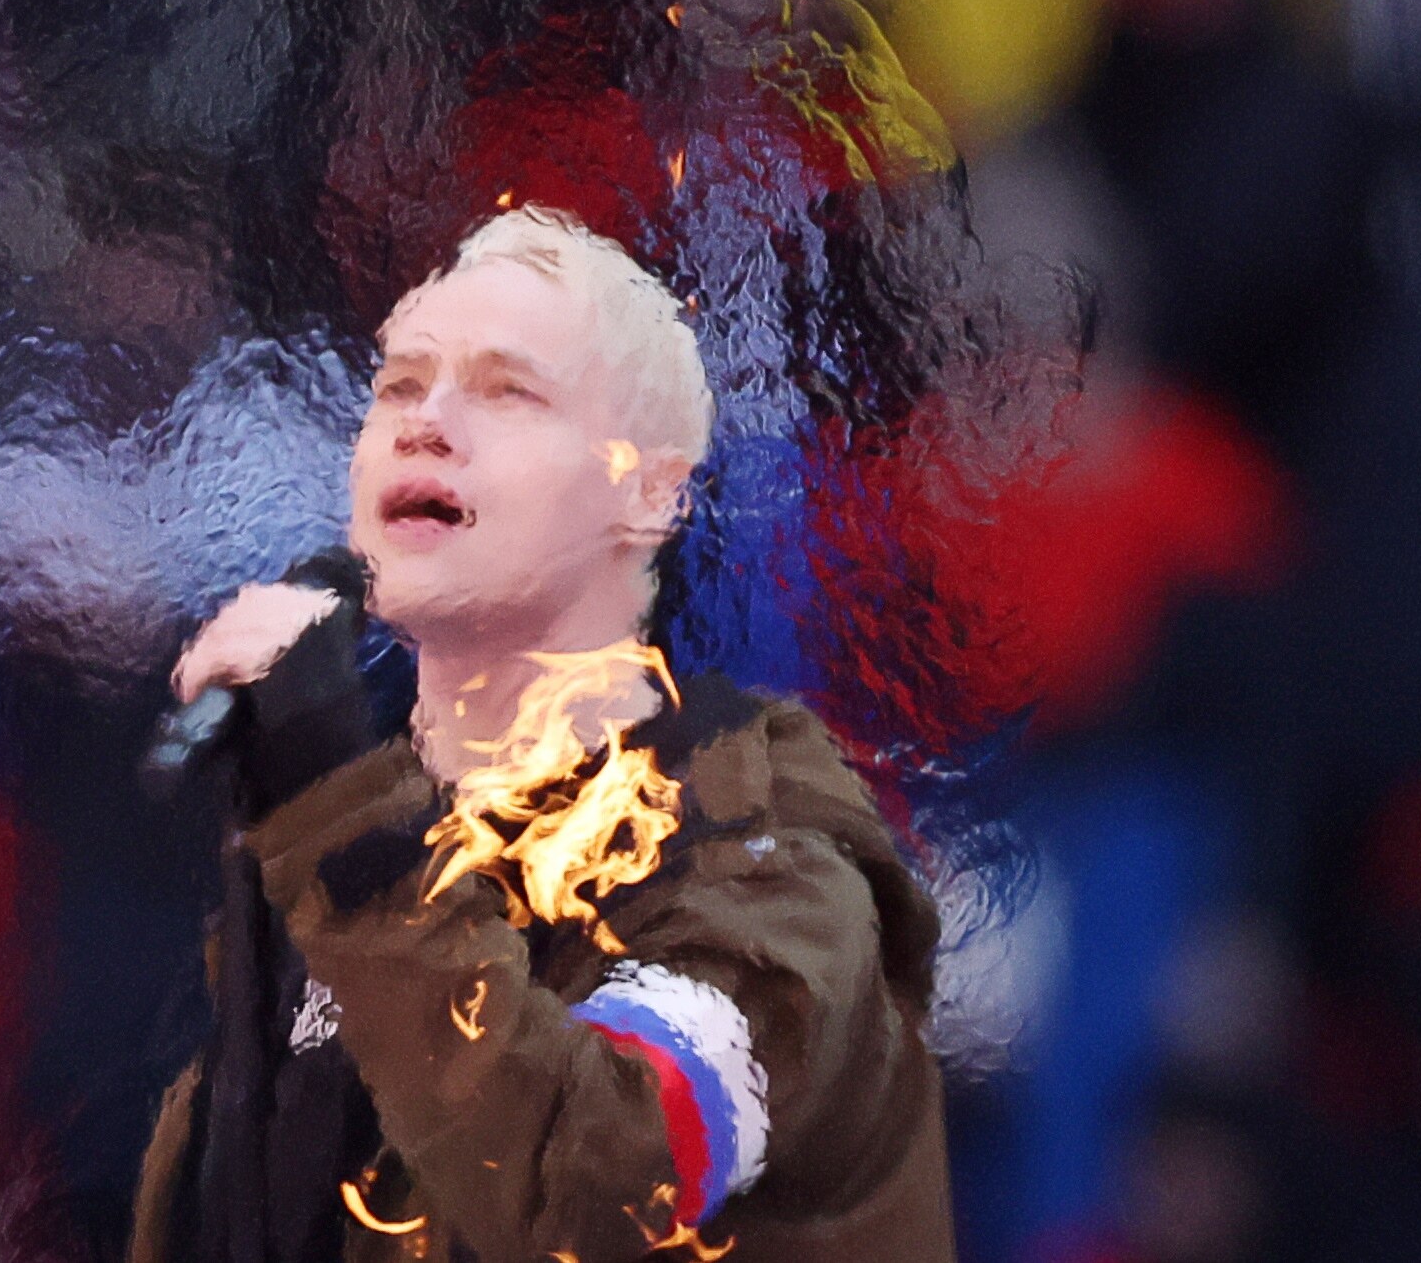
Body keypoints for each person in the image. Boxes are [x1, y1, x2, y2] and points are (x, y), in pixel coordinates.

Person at [133, 207, 953, 1261]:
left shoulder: (772, 871)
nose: (426, 423)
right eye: (400, 386)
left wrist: (343, 828)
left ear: (650, 490)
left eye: (506, 391)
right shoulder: (333, 860)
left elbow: (595, 1189)